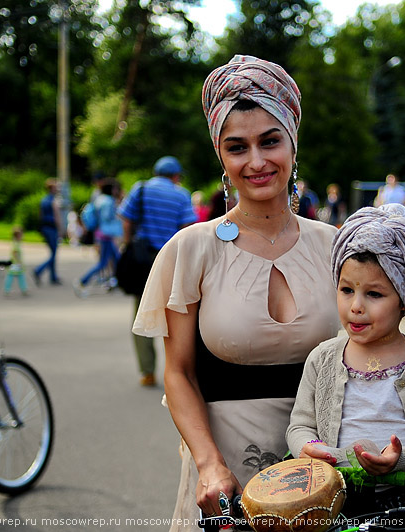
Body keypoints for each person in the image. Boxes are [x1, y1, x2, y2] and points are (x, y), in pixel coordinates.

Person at [131, 55, 340, 529]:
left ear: (292, 142)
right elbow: (179, 373)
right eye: (237, 147)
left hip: (324, 472)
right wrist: (208, 463)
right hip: (224, 478)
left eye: (270, 141)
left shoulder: (334, 244)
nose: (257, 161)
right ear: (221, 157)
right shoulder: (191, 249)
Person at [287, 204, 405, 514]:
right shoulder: (322, 359)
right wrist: (309, 449)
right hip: (330, 502)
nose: (356, 306)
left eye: (374, 294)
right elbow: (299, 426)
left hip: (404, 505)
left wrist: (401, 459)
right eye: (347, 290)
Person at [118, 156, 197, 387]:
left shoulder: (140, 188)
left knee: (141, 312)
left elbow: (126, 219)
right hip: (170, 259)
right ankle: (179, 371)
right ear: (176, 176)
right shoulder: (181, 194)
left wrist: (127, 243)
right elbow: (187, 228)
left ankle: (147, 371)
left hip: (142, 260)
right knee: (175, 313)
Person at [74, 179, 123, 296]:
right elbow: (107, 217)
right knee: (103, 262)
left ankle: (114, 282)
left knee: (116, 259)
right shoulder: (109, 201)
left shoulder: (99, 199)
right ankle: (83, 281)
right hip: (106, 234)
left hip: (101, 233)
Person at [33, 178, 63, 286]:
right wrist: (60, 229)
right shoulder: (54, 201)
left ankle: (53, 276)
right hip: (52, 228)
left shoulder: (44, 200)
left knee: (53, 252)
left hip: (45, 228)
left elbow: (40, 215)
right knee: (54, 254)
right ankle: (39, 270)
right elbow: (57, 216)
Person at [4, 225, 28, 296]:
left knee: (16, 276)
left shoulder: (16, 243)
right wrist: (18, 261)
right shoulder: (16, 244)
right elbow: (15, 253)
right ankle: (23, 289)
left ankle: (23, 289)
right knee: (16, 276)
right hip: (15, 264)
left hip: (15, 264)